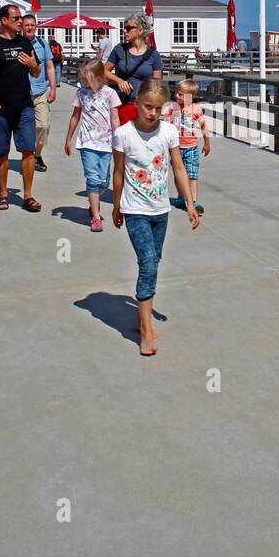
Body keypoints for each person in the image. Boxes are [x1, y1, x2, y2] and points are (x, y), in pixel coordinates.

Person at [112, 81, 200, 356]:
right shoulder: (123, 134)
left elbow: (178, 168)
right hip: (134, 209)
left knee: (155, 261)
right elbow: (117, 174)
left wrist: (189, 203)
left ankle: (141, 317)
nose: (152, 113)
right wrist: (116, 206)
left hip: (160, 210)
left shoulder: (169, 132)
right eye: (147, 106)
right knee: (148, 263)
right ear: (137, 102)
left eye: (158, 108)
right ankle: (147, 331)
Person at [0, 4, 41, 211]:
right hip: (0, 108)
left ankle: (27, 195)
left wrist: (33, 65)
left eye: (20, 18)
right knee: (1, 152)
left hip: (24, 106)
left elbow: (36, 73)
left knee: (29, 149)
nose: (20, 21)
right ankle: (3, 194)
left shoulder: (25, 43)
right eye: (15, 18)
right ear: (4, 21)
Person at [65, 59, 121, 232]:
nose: (85, 82)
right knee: (92, 179)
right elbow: (75, 116)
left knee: (104, 181)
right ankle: (96, 217)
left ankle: (93, 202)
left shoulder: (110, 93)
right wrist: (68, 138)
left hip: (106, 142)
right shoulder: (81, 93)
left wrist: (119, 137)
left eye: (88, 79)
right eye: (84, 79)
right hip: (87, 142)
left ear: (99, 77)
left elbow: (115, 118)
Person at [162, 78, 210, 215]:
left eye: (181, 94)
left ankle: (193, 201)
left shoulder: (196, 109)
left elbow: (203, 126)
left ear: (191, 96)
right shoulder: (172, 108)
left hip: (191, 147)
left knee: (192, 174)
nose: (177, 96)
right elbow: (166, 125)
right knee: (178, 174)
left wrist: (207, 142)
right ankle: (181, 196)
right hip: (175, 148)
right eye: (177, 93)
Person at [105, 13, 163, 123]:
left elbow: (157, 83)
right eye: (124, 28)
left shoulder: (153, 54)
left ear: (140, 31)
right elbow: (104, 71)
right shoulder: (120, 49)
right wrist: (119, 81)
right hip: (121, 105)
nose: (124, 31)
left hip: (144, 107)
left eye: (128, 28)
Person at [21, 14, 57, 172]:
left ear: (36, 27)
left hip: (40, 91)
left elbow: (50, 66)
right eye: (26, 25)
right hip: (22, 93)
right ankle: (27, 158)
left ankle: (37, 154)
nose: (29, 28)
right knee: (24, 129)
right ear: (22, 26)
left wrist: (53, 88)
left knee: (44, 125)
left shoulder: (42, 44)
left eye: (32, 25)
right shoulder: (17, 44)